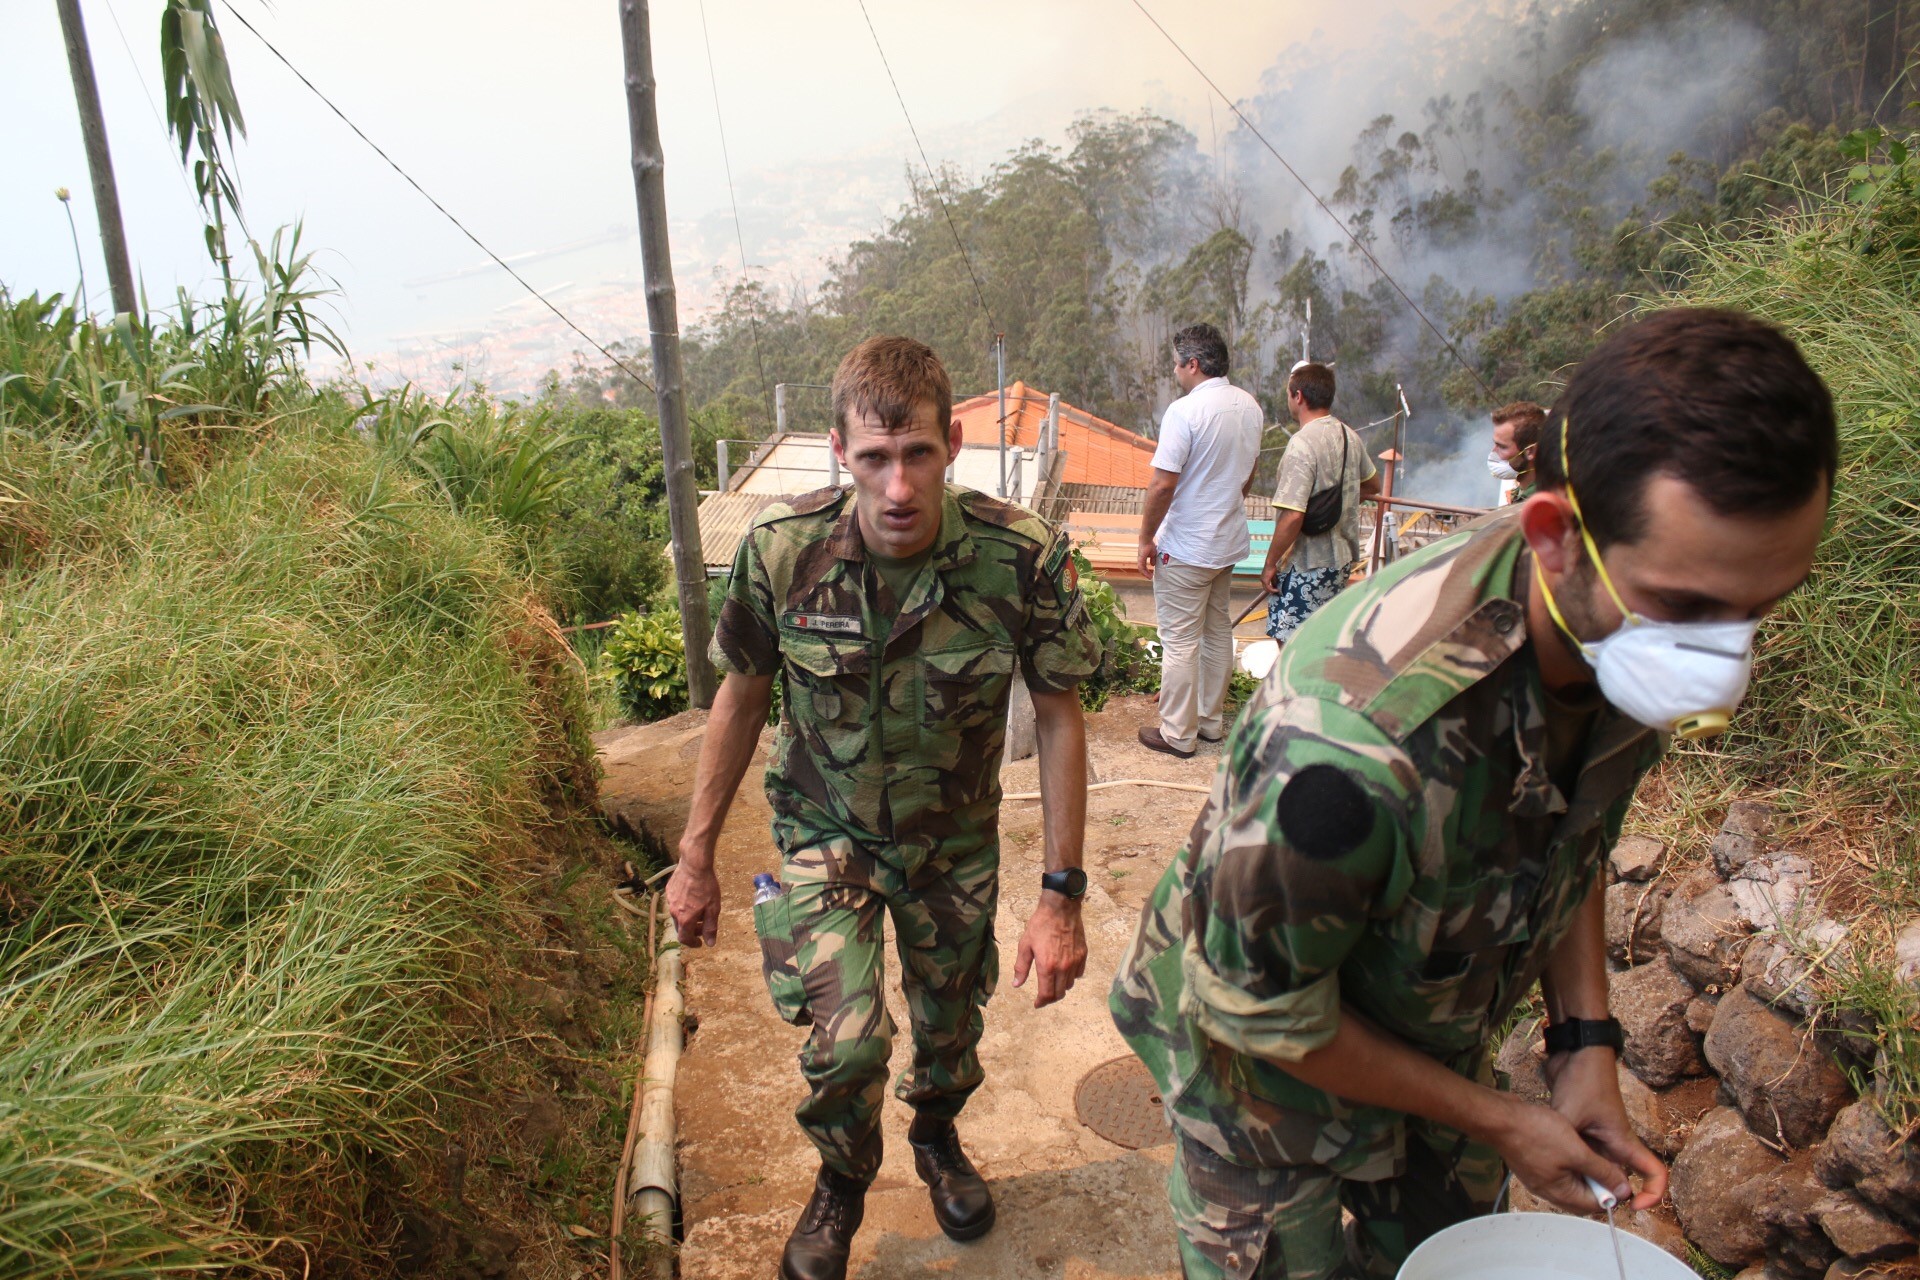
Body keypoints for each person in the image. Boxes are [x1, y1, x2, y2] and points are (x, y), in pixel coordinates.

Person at [1111, 308, 1836, 1279]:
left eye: (1761, 609)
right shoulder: (1348, 743)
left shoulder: (1633, 624)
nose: (1723, 659)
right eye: (1694, 609)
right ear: (1555, 539)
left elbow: (1569, 833)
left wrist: (1585, 1044)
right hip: (1262, 1076)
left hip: (1425, 1032)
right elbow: (1263, 1010)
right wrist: (1503, 1117)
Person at [666, 336, 1101, 1280]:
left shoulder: (1019, 559)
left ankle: (938, 1137)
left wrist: (1060, 893)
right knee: (849, 1043)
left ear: (951, 442)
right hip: (829, 840)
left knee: (951, 1031)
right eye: (874, 458)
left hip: (954, 847)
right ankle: (841, 1181)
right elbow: (739, 699)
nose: (898, 487)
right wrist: (695, 856)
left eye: (917, 456)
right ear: (839, 451)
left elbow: (1061, 715)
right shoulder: (784, 552)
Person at [1137, 323, 1264, 759]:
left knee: (1180, 640)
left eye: (1176, 362)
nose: (1175, 370)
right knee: (1216, 634)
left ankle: (1177, 734)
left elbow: (1161, 486)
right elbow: (1248, 476)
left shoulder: (1184, 412)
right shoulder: (1250, 407)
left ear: (1193, 364)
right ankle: (1210, 724)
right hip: (1226, 543)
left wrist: (1145, 539)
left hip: (1187, 546)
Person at [1259, 362, 1381, 643]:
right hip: (1340, 559)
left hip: (1307, 561)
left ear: (1298, 396)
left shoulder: (1302, 444)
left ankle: (1299, 689)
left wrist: (1269, 565)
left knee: (1292, 643)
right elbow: (1373, 484)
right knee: (1324, 639)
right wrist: (1344, 495)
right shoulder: (1349, 436)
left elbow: (1292, 516)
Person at [1490, 400, 1548, 504]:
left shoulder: (1541, 502)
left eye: (1502, 447)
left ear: (1530, 451)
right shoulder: (1518, 495)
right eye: (1495, 444)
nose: (1493, 452)